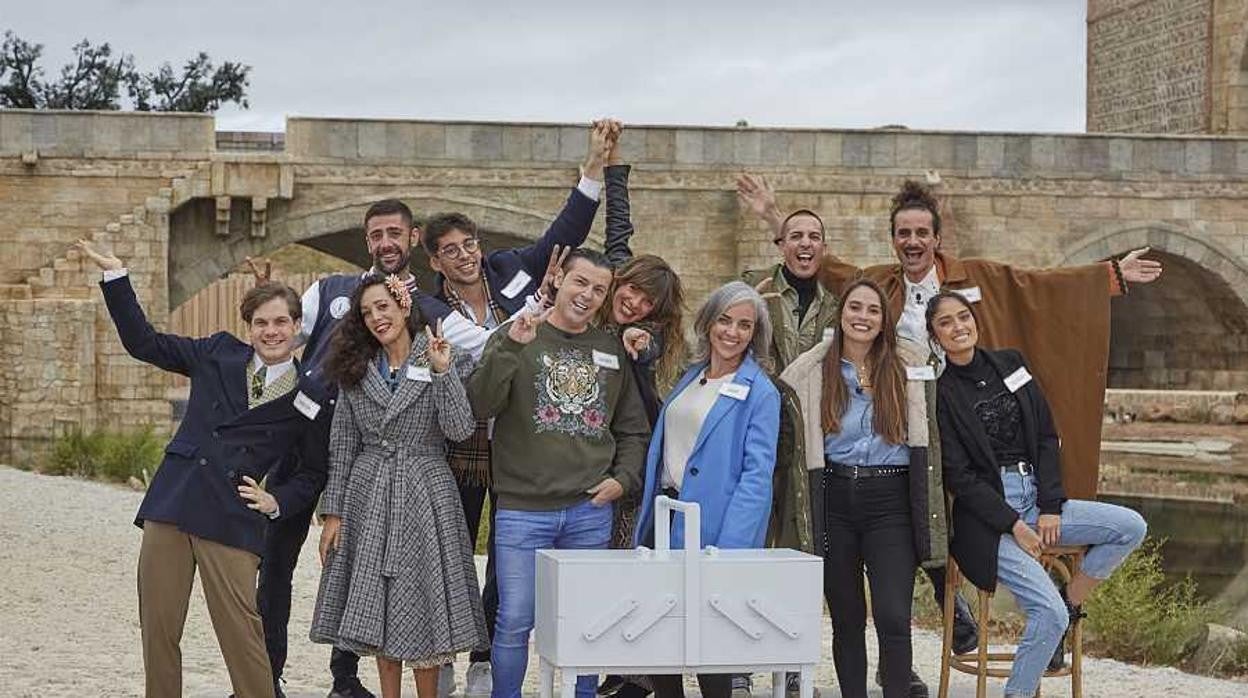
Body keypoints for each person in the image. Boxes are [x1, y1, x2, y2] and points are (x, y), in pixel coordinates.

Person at [738, 174, 1163, 694]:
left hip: (964, 421)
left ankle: (981, 612)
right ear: (893, 239)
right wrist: (771, 216)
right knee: (915, 527)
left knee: (933, 526)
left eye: (921, 232)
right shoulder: (883, 285)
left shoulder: (974, 278)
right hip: (910, 434)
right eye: (903, 233)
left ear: (938, 238)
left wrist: (1109, 276)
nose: (912, 241)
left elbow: (1040, 286)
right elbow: (826, 267)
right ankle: (949, 618)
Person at [76, 239, 331, 698]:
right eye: (261, 323)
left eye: (280, 322)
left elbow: (314, 471)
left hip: (232, 518)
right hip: (174, 504)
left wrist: (277, 501)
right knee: (158, 630)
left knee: (244, 637)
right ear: (248, 328)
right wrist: (117, 277)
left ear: (296, 327)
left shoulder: (309, 397)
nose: (271, 332)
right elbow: (144, 343)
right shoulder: (216, 352)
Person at [416, 120, 613, 697]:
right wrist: (536, 307)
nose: (465, 257)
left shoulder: (509, 268)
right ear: (435, 259)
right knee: (451, 552)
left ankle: (483, 660)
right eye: (450, 251)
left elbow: (563, 234)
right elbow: (476, 346)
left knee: (507, 562)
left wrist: (593, 172)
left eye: (469, 245)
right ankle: (442, 650)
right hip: (459, 441)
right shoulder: (429, 302)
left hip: (515, 442)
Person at [927, 290, 1147, 698]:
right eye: (946, 322)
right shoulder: (942, 396)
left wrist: (1049, 505)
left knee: (1131, 526)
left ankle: (1071, 602)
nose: (958, 327)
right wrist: (1014, 524)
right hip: (988, 521)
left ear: (975, 320)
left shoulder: (1011, 363)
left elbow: (1046, 436)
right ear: (935, 336)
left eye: (963, 317)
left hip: (1037, 498)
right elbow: (960, 477)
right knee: (1044, 615)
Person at [467, 248, 651, 698]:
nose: (586, 295)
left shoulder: (611, 349)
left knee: (585, 622)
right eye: (579, 282)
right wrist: (511, 346)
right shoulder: (517, 334)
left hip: (589, 509)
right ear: (559, 281)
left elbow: (632, 429)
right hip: (522, 510)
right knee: (514, 619)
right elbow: (480, 404)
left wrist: (622, 479)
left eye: (598, 289)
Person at [309, 273, 487, 698]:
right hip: (368, 494)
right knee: (378, 608)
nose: (375, 318)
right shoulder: (355, 368)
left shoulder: (446, 355)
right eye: (367, 312)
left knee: (421, 608)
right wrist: (333, 513)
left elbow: (460, 429)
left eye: (382, 307)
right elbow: (343, 444)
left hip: (426, 492)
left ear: (404, 305)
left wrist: (443, 373)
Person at [779, 279, 945, 698]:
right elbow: (785, 398)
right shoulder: (816, 370)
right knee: (847, 617)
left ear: (884, 320)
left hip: (891, 501)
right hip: (834, 497)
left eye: (873, 310)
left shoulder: (908, 366)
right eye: (855, 308)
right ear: (842, 315)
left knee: (892, 614)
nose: (863, 317)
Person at [631, 281, 781, 698]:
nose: (732, 332)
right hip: (664, 521)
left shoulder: (760, 392)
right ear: (709, 321)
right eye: (725, 320)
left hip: (712, 532)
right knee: (661, 637)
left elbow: (757, 475)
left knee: (710, 644)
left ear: (756, 334)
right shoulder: (691, 376)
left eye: (744, 325)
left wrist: (730, 549)